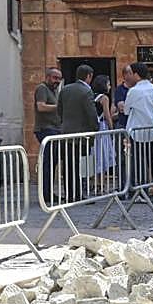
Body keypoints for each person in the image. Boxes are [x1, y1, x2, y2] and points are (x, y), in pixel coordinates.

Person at [46, 63, 96, 203]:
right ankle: (78, 193)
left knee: (68, 164)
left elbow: (60, 111)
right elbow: (91, 114)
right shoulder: (86, 91)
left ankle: (70, 193)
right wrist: (95, 128)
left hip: (66, 132)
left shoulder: (65, 90)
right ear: (89, 76)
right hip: (81, 134)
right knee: (81, 165)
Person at [124, 62, 153, 189]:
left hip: (137, 131)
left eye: (131, 73)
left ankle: (140, 188)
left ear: (136, 74)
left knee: (138, 162)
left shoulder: (133, 91)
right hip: (152, 129)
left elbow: (126, 110)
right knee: (152, 160)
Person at [92, 74, 116, 182]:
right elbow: (107, 115)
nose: (110, 87)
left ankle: (95, 180)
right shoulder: (104, 98)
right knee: (103, 153)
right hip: (102, 126)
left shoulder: (91, 95)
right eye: (108, 84)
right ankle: (100, 181)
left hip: (93, 126)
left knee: (95, 153)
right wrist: (111, 127)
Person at [33, 67, 62, 151]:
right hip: (45, 129)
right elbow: (41, 107)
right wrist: (59, 107)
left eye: (59, 79)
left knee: (55, 156)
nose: (58, 81)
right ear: (47, 77)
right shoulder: (42, 88)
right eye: (55, 78)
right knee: (50, 157)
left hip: (55, 128)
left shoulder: (55, 90)